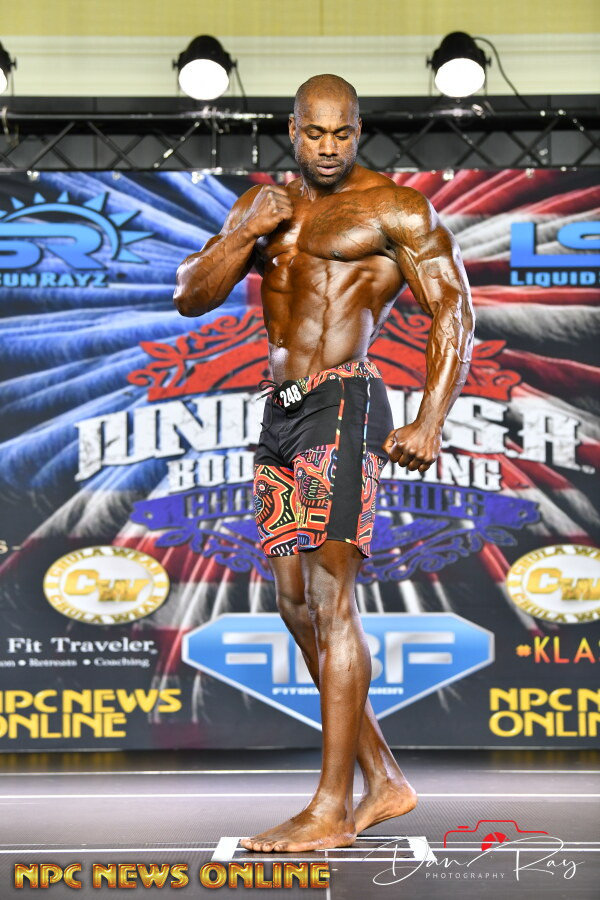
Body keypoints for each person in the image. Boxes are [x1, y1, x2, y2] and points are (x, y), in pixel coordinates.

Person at [173, 73, 474, 853]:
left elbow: (453, 309)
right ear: (293, 130)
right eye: (316, 133)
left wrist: (429, 419)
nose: (330, 147)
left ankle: (331, 808)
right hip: (279, 414)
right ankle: (385, 779)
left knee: (332, 600)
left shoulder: (395, 208)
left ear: (358, 130)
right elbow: (191, 296)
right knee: (293, 605)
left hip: (344, 403)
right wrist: (245, 233)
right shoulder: (262, 207)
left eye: (343, 133)